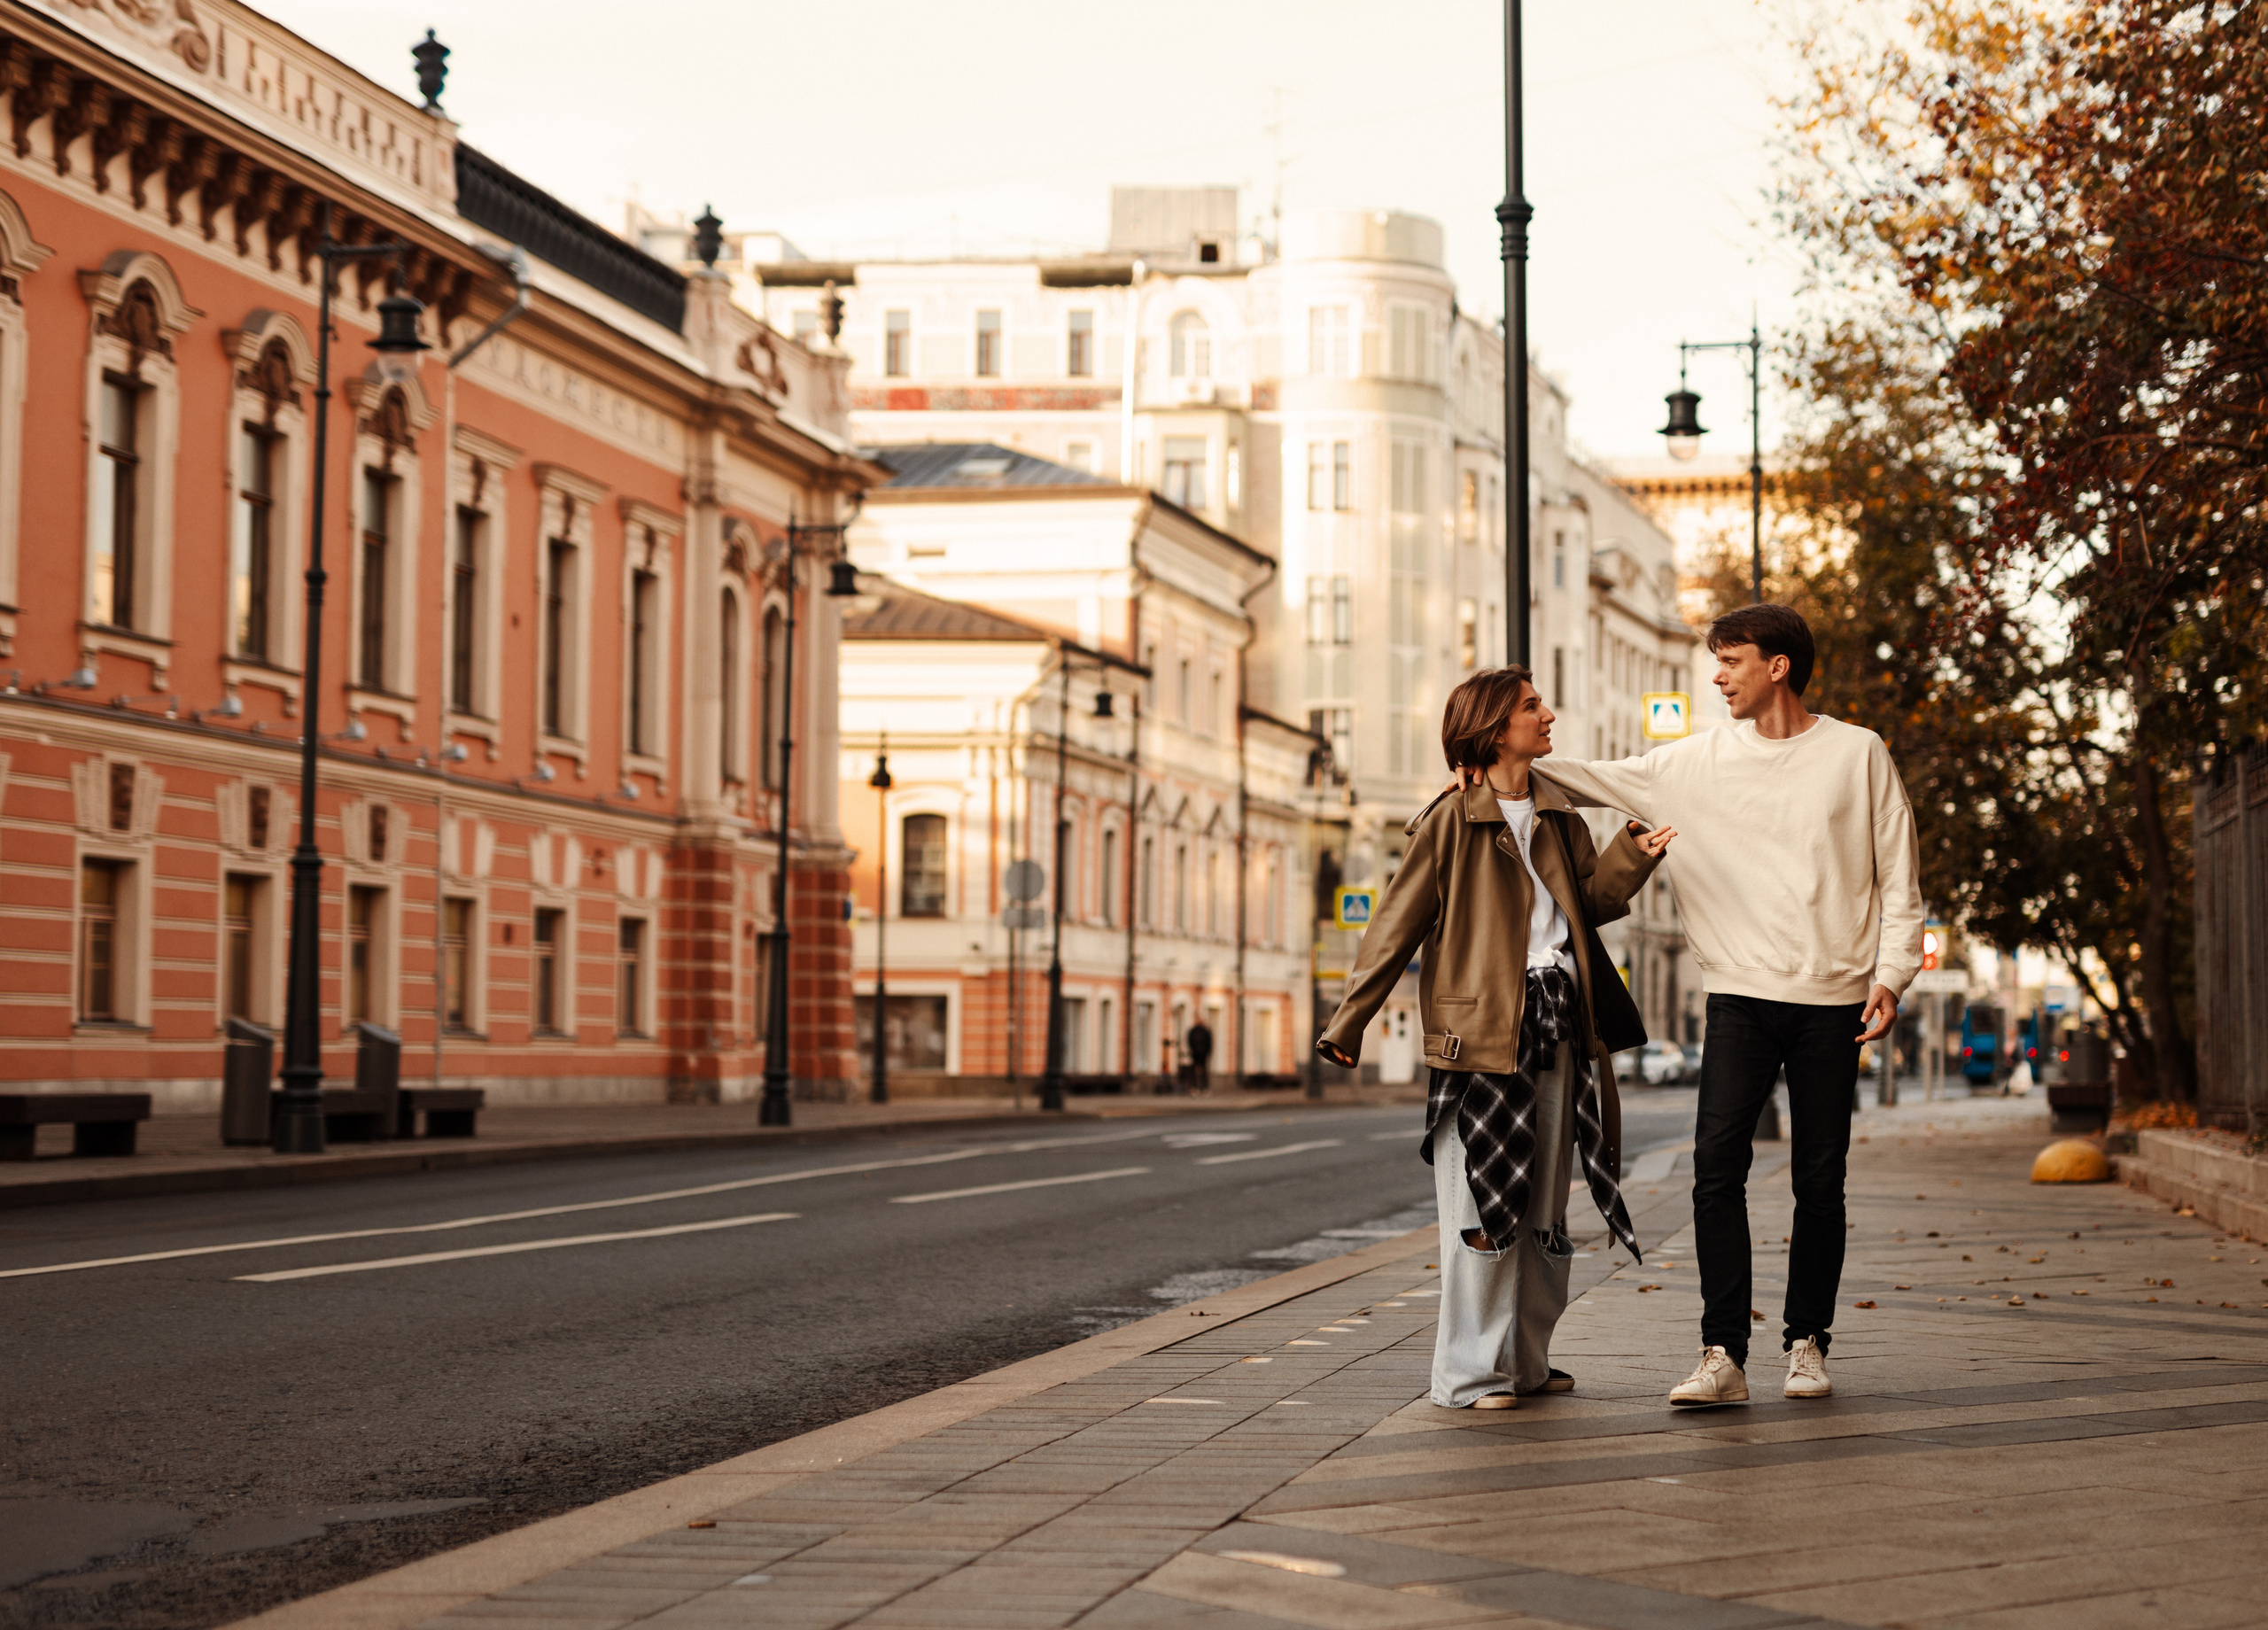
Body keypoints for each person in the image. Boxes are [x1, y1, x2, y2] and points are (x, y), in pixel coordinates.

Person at [1529, 603, 1923, 1406]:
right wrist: (1490, 761)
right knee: (1716, 1171)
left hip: (1833, 1001)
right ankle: (1723, 1355)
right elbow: (1584, 777)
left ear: (1778, 666)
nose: (1716, 677)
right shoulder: (1692, 762)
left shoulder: (1858, 753)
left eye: (1731, 661)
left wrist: (1891, 976)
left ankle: (1807, 1343)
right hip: (1738, 998)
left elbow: (1899, 874)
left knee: (1821, 1179)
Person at [1317, 666, 1674, 1409]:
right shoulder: (1450, 821)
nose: (1548, 715)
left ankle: (1525, 1363)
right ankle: (1470, 1373)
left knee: (1544, 1210)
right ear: (1493, 727)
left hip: (1561, 1022)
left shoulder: (1560, 818)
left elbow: (1587, 904)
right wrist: (1350, 1021)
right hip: (1480, 1036)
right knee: (1482, 1209)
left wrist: (1632, 858)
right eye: (1531, 706)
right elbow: (1395, 926)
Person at [1184, 1019, 1214, 1094]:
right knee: (1203, 1071)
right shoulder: (1205, 1031)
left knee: (1194, 1071)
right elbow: (1209, 1043)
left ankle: (1195, 1088)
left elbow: (1189, 1041)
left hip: (1195, 1053)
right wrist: (1208, 1052)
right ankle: (1205, 1088)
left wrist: (1192, 1050)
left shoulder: (1193, 1030)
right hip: (1203, 1053)